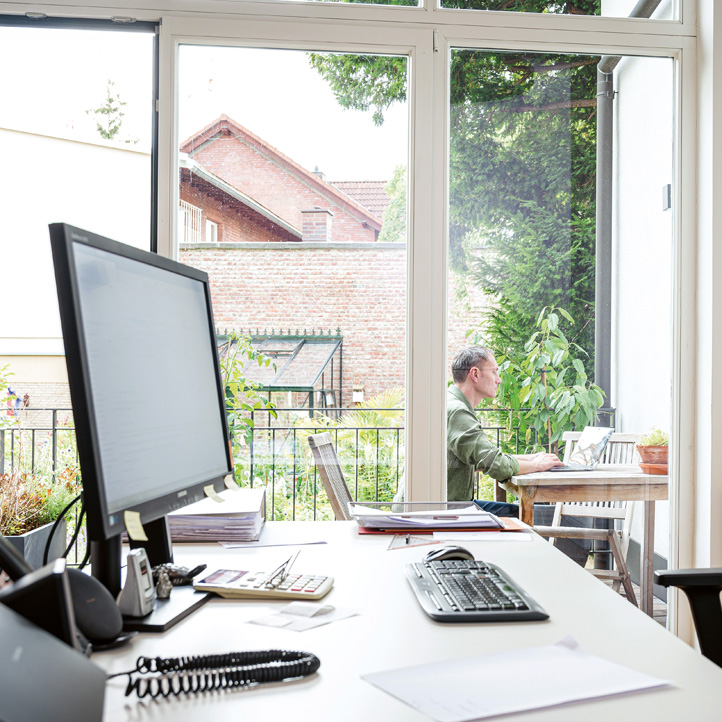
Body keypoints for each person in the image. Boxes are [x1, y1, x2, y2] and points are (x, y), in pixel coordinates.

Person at [447, 345, 563, 517]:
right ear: (475, 374)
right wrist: (537, 465)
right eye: (494, 372)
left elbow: (484, 459)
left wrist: (530, 458)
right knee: (525, 515)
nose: (499, 379)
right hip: (445, 512)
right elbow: (496, 464)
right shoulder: (458, 411)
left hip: (450, 506)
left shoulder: (451, 403)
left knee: (519, 511)